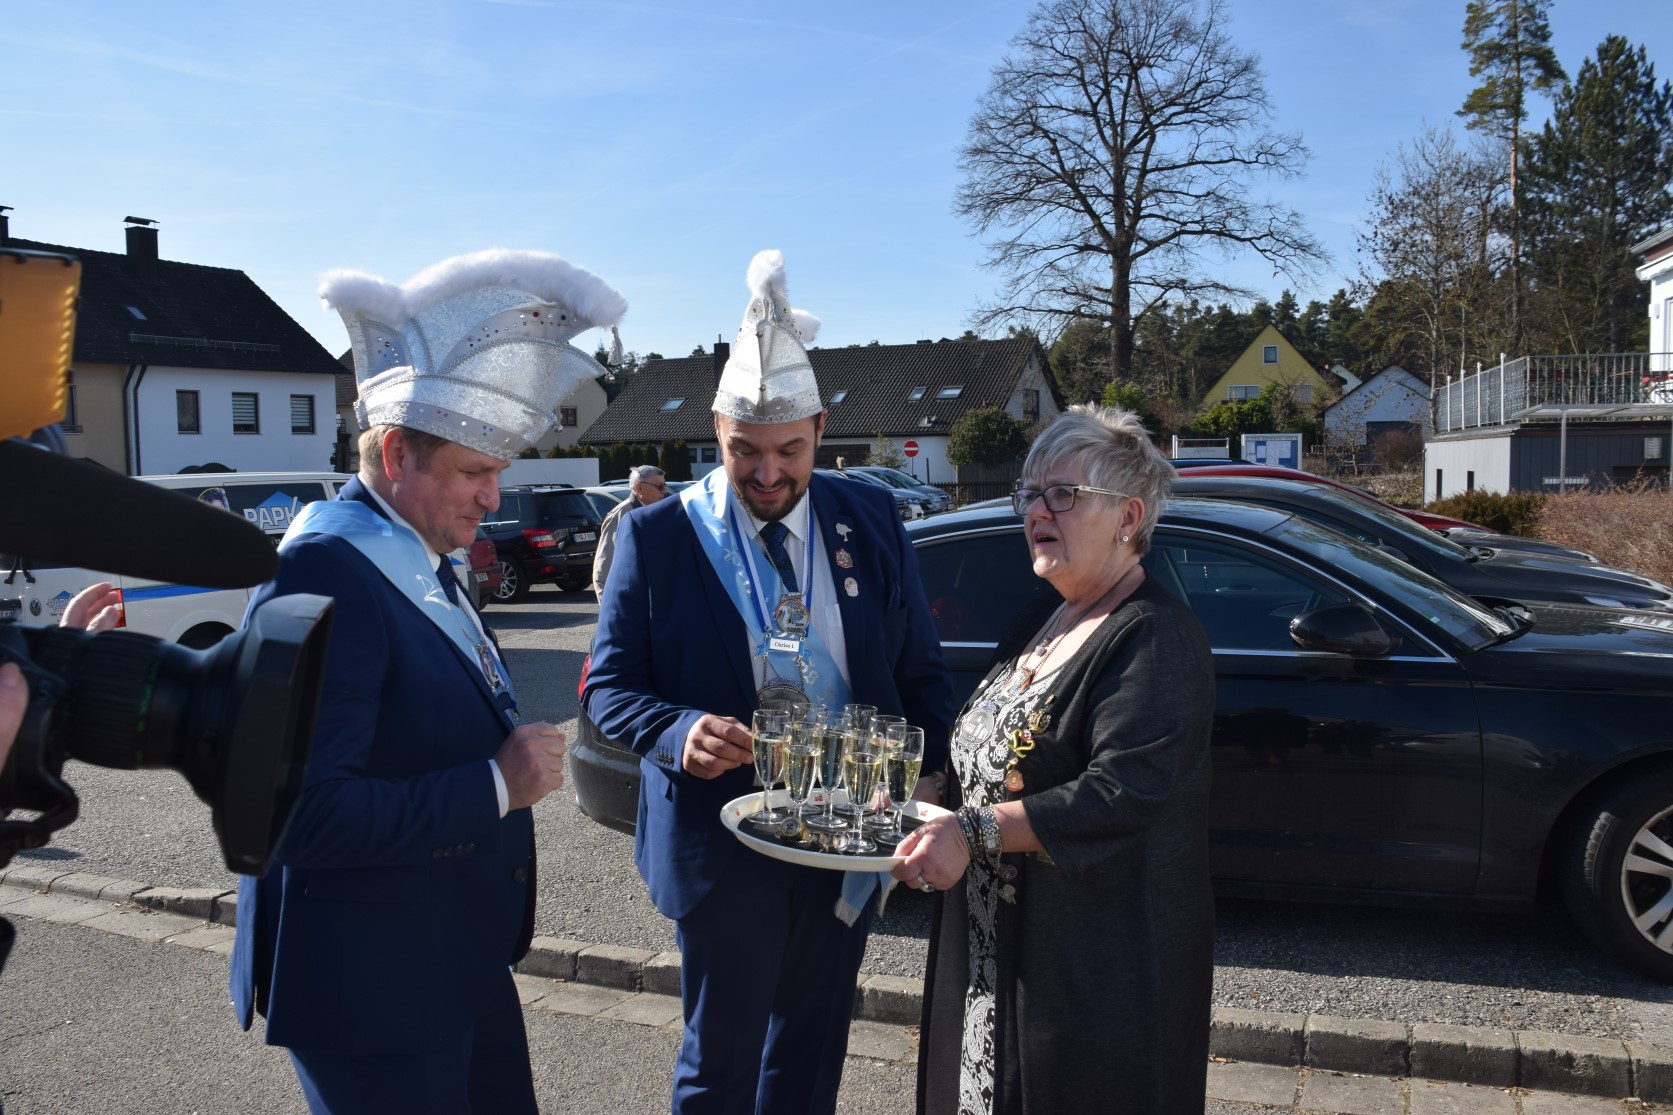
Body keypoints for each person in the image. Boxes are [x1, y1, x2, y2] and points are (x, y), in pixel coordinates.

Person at [228, 248, 628, 1115]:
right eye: (475, 472)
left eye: (498, 472)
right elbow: (297, 816)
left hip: (449, 956)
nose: (494, 499)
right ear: (397, 451)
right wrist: (495, 785)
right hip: (372, 988)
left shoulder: (421, 553)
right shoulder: (323, 571)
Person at [585, 249, 956, 1115]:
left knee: (811, 1056)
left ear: (821, 429)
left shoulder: (870, 516)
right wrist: (677, 731)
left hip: (849, 828)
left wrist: (932, 774)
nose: (766, 473)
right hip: (726, 843)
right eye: (742, 450)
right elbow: (608, 687)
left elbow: (919, 666)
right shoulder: (658, 537)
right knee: (719, 1066)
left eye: (789, 449)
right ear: (714, 429)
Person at [892, 403, 1217, 1115]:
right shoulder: (1041, 615)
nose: (1037, 510)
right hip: (993, 958)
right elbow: (989, 747)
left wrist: (970, 832)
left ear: (1128, 516)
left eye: (1063, 494)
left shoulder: (1154, 637)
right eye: (1031, 493)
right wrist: (929, 792)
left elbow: (1121, 791)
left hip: (1091, 976)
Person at [592, 463, 668, 601]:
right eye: (659, 486)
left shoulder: (655, 511)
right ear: (639, 487)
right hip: (630, 598)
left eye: (665, 485)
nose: (664, 490)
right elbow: (604, 565)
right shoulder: (621, 515)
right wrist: (607, 604)